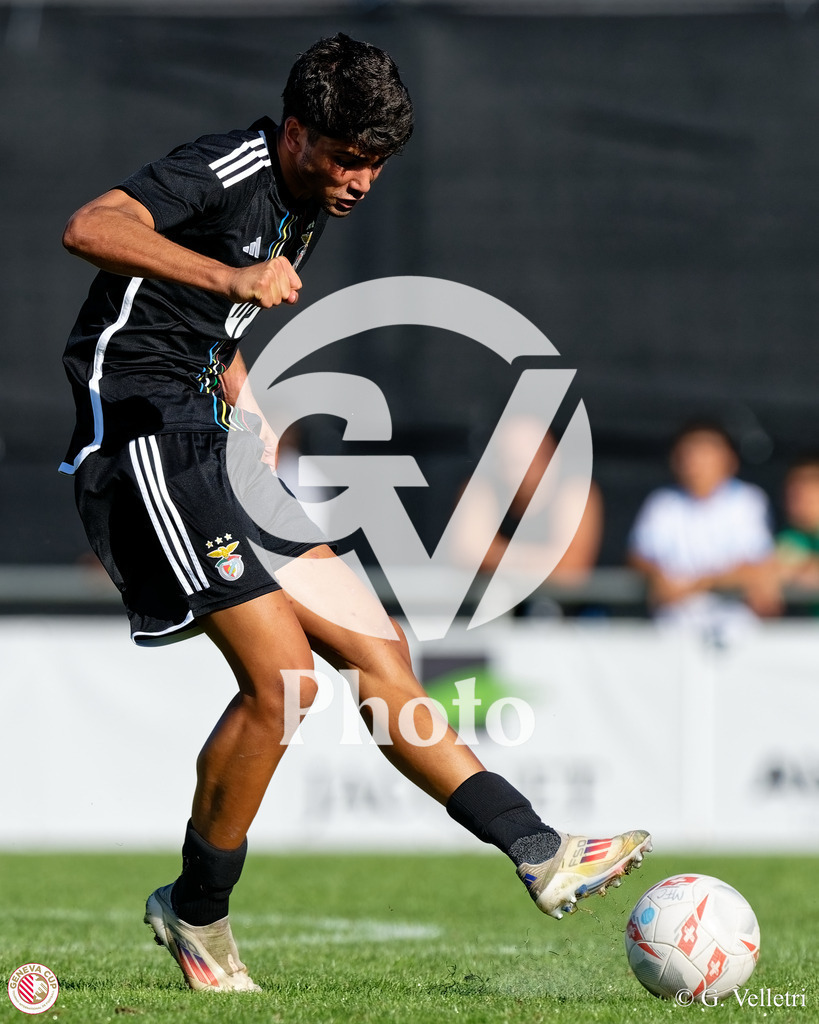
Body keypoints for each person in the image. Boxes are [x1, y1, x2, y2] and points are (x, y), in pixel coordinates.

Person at [59, 33, 650, 993]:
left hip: (218, 440)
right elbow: (90, 224)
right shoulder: (228, 167)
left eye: (375, 162)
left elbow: (217, 333)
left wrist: (249, 419)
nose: (361, 180)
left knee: (377, 650)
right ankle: (197, 912)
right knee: (283, 681)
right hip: (144, 442)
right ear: (295, 132)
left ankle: (538, 848)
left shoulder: (308, 198)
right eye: (344, 156)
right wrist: (230, 279)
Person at [628, 419, 781, 641]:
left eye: (706, 452)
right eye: (688, 453)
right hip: (672, 631)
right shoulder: (662, 503)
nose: (695, 461)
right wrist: (656, 576)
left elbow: (757, 565)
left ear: (729, 459)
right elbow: (639, 556)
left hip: (736, 634)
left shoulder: (748, 501)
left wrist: (696, 585)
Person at [776, 456, 819, 600]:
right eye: (793, 489)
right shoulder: (790, 536)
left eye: (810, 483)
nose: (800, 494)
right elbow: (777, 570)